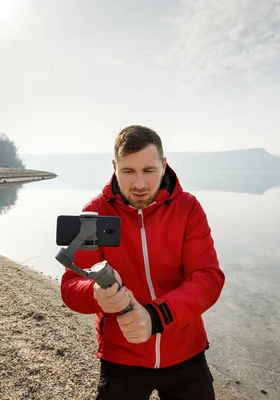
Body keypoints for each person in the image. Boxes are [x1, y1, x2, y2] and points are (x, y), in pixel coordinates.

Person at [60, 125, 225, 400]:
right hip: (121, 357)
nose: (139, 184)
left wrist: (155, 316)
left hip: (185, 353)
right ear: (114, 167)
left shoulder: (188, 208)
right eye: (128, 171)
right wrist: (95, 295)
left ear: (163, 165)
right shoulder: (96, 213)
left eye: (148, 171)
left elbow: (208, 278)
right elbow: (70, 285)